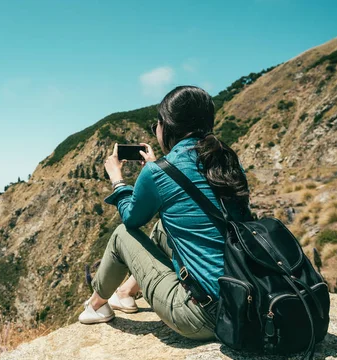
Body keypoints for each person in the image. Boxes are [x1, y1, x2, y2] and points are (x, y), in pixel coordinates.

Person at [78, 86, 252, 340]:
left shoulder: (158, 173)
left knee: (120, 235)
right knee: (162, 228)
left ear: (166, 126)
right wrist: (158, 166)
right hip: (241, 300)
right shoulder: (227, 161)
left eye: (156, 125)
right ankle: (126, 294)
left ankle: (96, 305)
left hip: (202, 316)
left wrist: (118, 181)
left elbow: (131, 219)